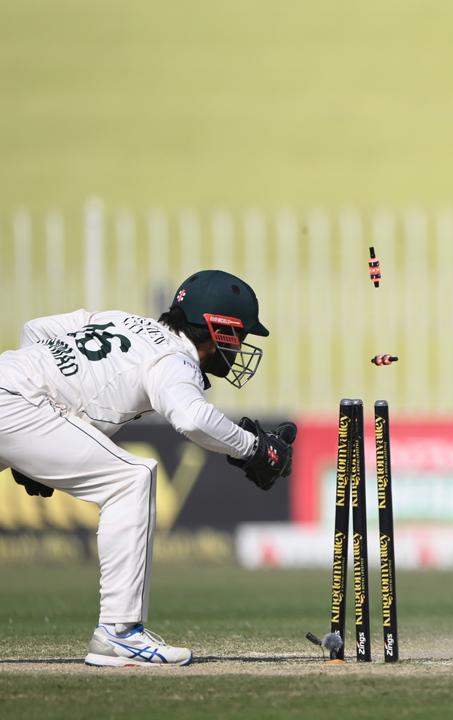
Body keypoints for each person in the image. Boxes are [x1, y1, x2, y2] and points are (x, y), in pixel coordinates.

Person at [0, 269, 297, 667]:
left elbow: (34, 330)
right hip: (19, 403)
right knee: (130, 479)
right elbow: (191, 418)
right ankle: (119, 633)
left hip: (12, 383)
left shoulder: (121, 319)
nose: (241, 347)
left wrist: (45, 432)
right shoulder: (174, 359)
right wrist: (256, 449)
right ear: (220, 329)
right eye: (241, 335)